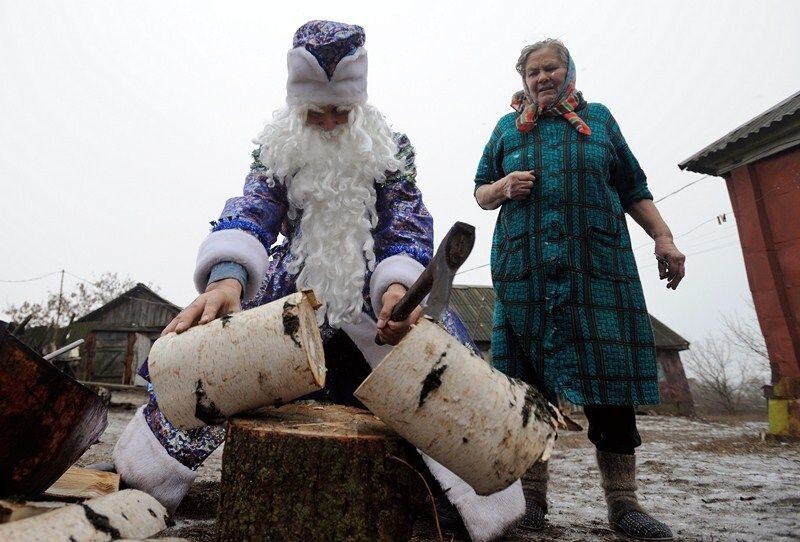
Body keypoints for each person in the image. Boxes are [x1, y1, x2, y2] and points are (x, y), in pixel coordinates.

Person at [110, 20, 523, 542]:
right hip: (293, 287)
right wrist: (228, 280)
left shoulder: (390, 149)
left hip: (376, 298)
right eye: (315, 110)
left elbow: (408, 225)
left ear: (360, 102)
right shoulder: (276, 148)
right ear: (295, 104)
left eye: (341, 110)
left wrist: (398, 289)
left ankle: (475, 502)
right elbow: (253, 212)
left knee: (435, 368)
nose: (328, 121)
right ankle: (146, 480)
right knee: (214, 357)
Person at [474, 38, 685, 541]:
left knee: (610, 390)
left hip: (597, 273)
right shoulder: (507, 129)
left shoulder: (601, 121)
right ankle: (531, 503)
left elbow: (633, 186)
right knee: (526, 394)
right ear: (523, 80)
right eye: (533, 72)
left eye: (551, 68)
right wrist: (502, 188)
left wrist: (664, 237)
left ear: (567, 72)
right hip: (525, 277)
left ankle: (624, 506)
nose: (543, 77)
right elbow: (480, 190)